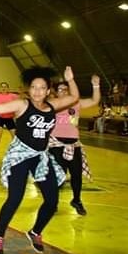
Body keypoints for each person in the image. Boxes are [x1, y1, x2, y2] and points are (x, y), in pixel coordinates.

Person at [0, 66, 79, 254]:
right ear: (29, 89)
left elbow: (73, 97)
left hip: (40, 155)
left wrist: (71, 79)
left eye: (42, 88)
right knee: (15, 198)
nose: (37, 91)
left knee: (52, 201)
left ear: (48, 91)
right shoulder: (22, 105)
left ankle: (35, 232)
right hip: (21, 154)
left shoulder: (52, 106)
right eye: (34, 87)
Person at [48, 75, 100, 215]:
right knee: (59, 176)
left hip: (73, 143)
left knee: (76, 175)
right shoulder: (53, 104)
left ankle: (76, 200)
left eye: (66, 89)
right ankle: (53, 203)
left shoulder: (76, 103)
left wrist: (95, 86)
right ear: (56, 92)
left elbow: (94, 100)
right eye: (60, 89)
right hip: (56, 144)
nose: (64, 92)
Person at [0, 82, 19, 162]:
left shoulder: (13, 96)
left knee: (14, 136)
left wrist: (21, 91)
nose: (4, 88)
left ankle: (15, 153)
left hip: (9, 118)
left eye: (5, 87)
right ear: (0, 88)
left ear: (8, 88)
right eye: (2, 87)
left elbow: (24, 98)